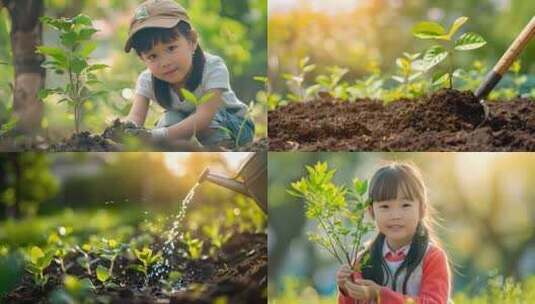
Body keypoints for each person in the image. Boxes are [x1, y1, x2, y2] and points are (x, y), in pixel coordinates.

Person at [123, 0, 254, 147]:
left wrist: (157, 135)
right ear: (142, 59)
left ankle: (221, 149)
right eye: (152, 56)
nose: (165, 62)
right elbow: (136, 116)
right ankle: (182, 150)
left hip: (234, 125)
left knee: (209, 121)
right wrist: (125, 131)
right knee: (168, 119)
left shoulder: (212, 67)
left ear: (192, 40)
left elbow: (204, 117)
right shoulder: (147, 80)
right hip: (187, 127)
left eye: (171, 48)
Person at [337, 162, 451, 304]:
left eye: (405, 205)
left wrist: (380, 295)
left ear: (422, 209)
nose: (395, 215)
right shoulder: (364, 259)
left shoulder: (432, 257)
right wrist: (346, 289)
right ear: (371, 211)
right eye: (385, 206)